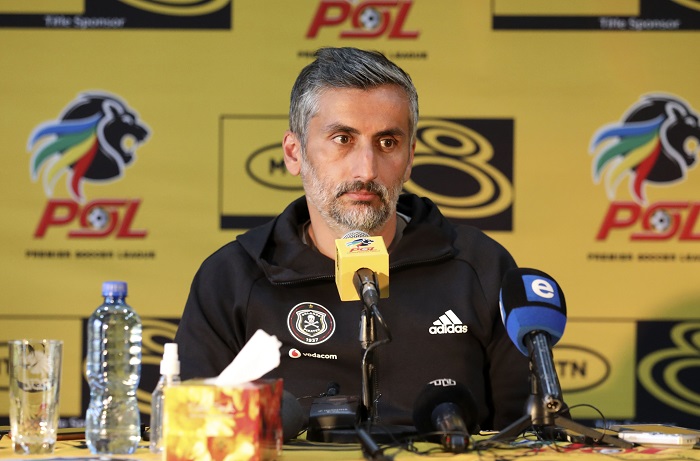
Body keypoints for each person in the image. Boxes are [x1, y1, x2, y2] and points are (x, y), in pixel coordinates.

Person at [174, 47, 529, 431]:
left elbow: (525, 438)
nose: (366, 169)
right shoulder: (232, 277)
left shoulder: (480, 266)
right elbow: (194, 436)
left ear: (410, 157)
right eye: (343, 138)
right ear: (295, 154)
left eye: (387, 143)